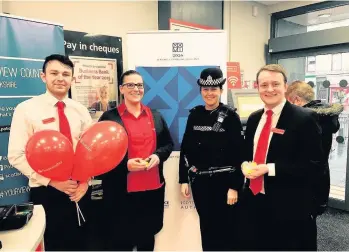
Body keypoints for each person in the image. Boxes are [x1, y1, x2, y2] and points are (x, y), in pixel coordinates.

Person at [8, 54, 93, 251]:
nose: (60, 78)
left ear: (73, 79)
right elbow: (16, 155)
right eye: (54, 73)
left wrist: (86, 182)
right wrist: (53, 182)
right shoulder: (26, 109)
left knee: (82, 242)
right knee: (52, 244)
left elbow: (90, 151)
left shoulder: (80, 110)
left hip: (79, 190)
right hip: (47, 192)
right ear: (43, 76)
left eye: (66, 74)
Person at [239, 64, 325, 251]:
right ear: (258, 88)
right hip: (255, 200)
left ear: (285, 87)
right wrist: (245, 163)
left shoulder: (304, 118)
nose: (269, 89)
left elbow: (314, 165)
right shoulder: (254, 119)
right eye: (264, 85)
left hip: (290, 206)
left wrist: (269, 168)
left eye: (275, 84)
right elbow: (249, 153)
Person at [98, 70, 174, 251]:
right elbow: (100, 155)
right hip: (121, 194)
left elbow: (168, 144)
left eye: (139, 85)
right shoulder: (109, 118)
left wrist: (157, 156)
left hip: (151, 191)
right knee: (121, 241)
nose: (136, 89)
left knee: (147, 241)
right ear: (121, 89)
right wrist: (126, 165)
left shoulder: (155, 115)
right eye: (130, 85)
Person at [178, 67, 244, 251]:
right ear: (200, 91)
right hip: (200, 183)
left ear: (221, 90)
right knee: (206, 228)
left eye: (214, 89)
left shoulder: (231, 117)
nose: (209, 93)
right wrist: (183, 179)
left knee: (227, 231)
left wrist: (234, 186)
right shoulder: (195, 115)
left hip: (224, 183)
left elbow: (240, 153)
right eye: (205, 89)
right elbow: (185, 149)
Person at [286, 80, 342, 216]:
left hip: (304, 180)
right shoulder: (326, 115)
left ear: (296, 100)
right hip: (321, 175)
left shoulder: (306, 120)